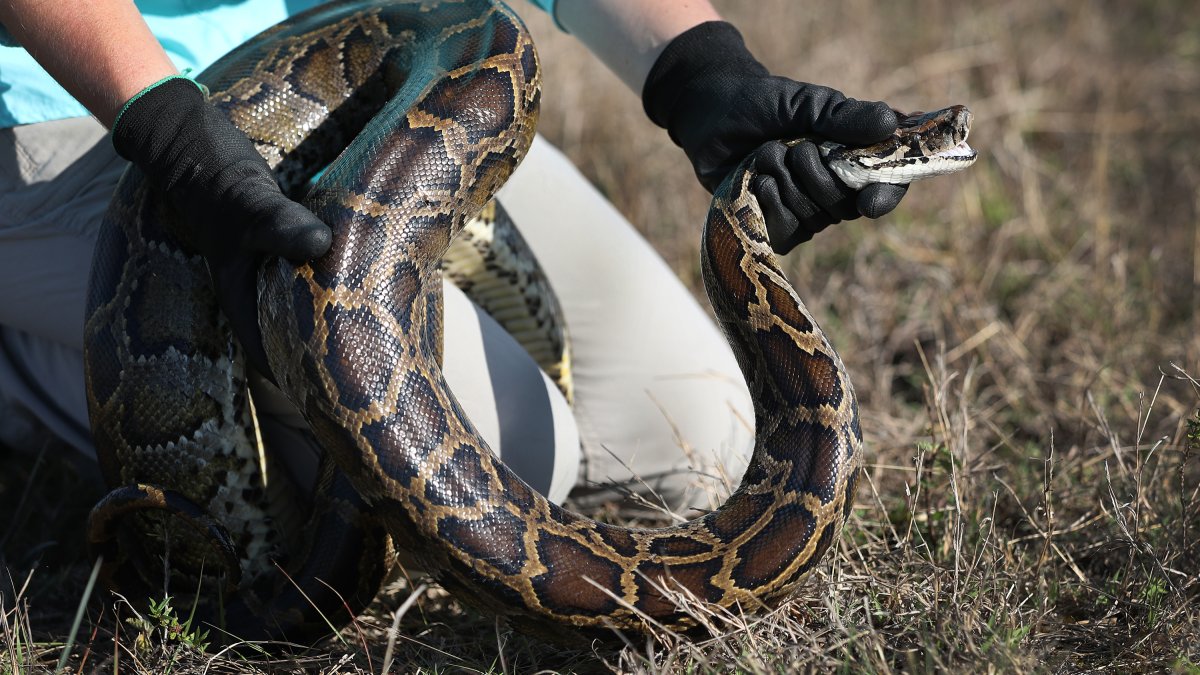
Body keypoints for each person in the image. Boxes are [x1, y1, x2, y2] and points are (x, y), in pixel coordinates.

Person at [0, 0, 907, 513]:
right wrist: (165, 125)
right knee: (508, 470)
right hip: (71, 101)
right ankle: (30, 364)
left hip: (340, 67)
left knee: (699, 441)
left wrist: (703, 71)